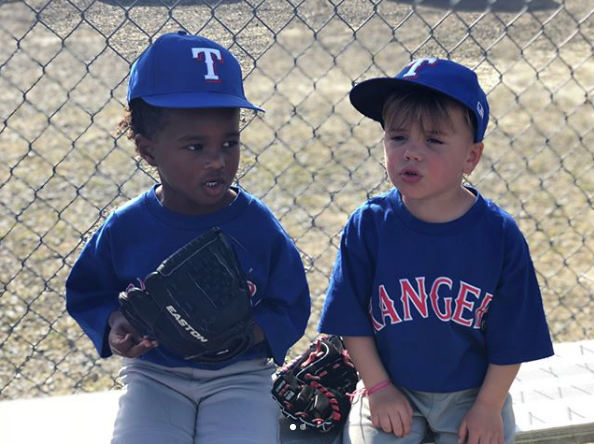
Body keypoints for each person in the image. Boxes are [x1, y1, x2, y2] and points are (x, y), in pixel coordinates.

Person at [66, 31, 311, 444]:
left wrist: (245, 337)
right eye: (195, 146)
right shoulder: (126, 227)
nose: (218, 160)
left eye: (229, 142)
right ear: (148, 151)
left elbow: (291, 303)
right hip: (155, 374)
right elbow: (88, 291)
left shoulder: (256, 224)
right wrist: (115, 323)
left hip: (241, 374)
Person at [318, 57, 554, 444]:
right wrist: (377, 389)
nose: (411, 151)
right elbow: (351, 321)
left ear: (471, 157)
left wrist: (488, 407)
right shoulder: (368, 226)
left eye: (434, 139)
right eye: (398, 137)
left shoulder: (499, 235)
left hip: (472, 395)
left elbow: (514, 337)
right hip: (389, 385)